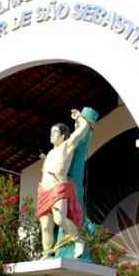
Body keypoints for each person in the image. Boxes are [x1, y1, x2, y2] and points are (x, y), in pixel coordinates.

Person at [38, 107, 97, 258]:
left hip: (59, 188)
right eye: (51, 132)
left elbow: (83, 129)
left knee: (59, 219)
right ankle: (47, 253)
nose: (52, 135)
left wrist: (79, 116)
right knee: (45, 226)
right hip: (44, 191)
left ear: (64, 135)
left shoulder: (68, 145)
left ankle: (78, 239)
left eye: (55, 132)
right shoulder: (50, 153)